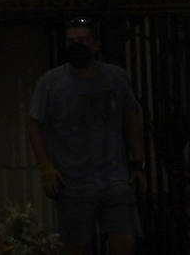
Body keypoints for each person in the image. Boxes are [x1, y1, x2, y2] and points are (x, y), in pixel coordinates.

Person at [27, 17, 147, 255]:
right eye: (71, 41)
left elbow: (131, 117)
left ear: (96, 44)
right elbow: (33, 123)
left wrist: (138, 162)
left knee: (124, 241)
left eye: (82, 40)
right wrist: (45, 166)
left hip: (114, 178)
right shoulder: (51, 82)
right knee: (77, 245)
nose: (76, 45)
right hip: (73, 183)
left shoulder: (116, 77)